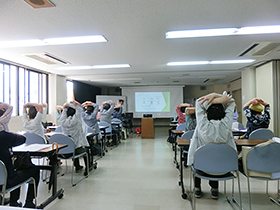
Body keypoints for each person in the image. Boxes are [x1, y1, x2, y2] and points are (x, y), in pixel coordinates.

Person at [187, 91, 236, 199]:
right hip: (224, 168)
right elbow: (231, 102)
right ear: (224, 113)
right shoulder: (227, 126)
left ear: (207, 114)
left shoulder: (203, 126)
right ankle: (214, 190)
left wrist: (213, 96)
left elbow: (199, 103)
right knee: (216, 157)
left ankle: (197, 189)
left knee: (199, 156)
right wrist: (219, 97)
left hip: (202, 168)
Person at [0, 103, 40, 208]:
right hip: (6, 182)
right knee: (34, 169)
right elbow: (23, 139)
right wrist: (13, 133)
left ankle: (14, 202)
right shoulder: (4, 136)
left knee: (13, 169)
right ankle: (29, 203)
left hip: (2, 179)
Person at [59, 100, 91, 175]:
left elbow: (64, 109)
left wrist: (67, 105)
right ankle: (88, 168)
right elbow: (79, 109)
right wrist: (74, 103)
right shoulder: (77, 120)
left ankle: (77, 166)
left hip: (65, 150)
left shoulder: (62, 121)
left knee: (73, 146)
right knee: (86, 150)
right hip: (75, 150)